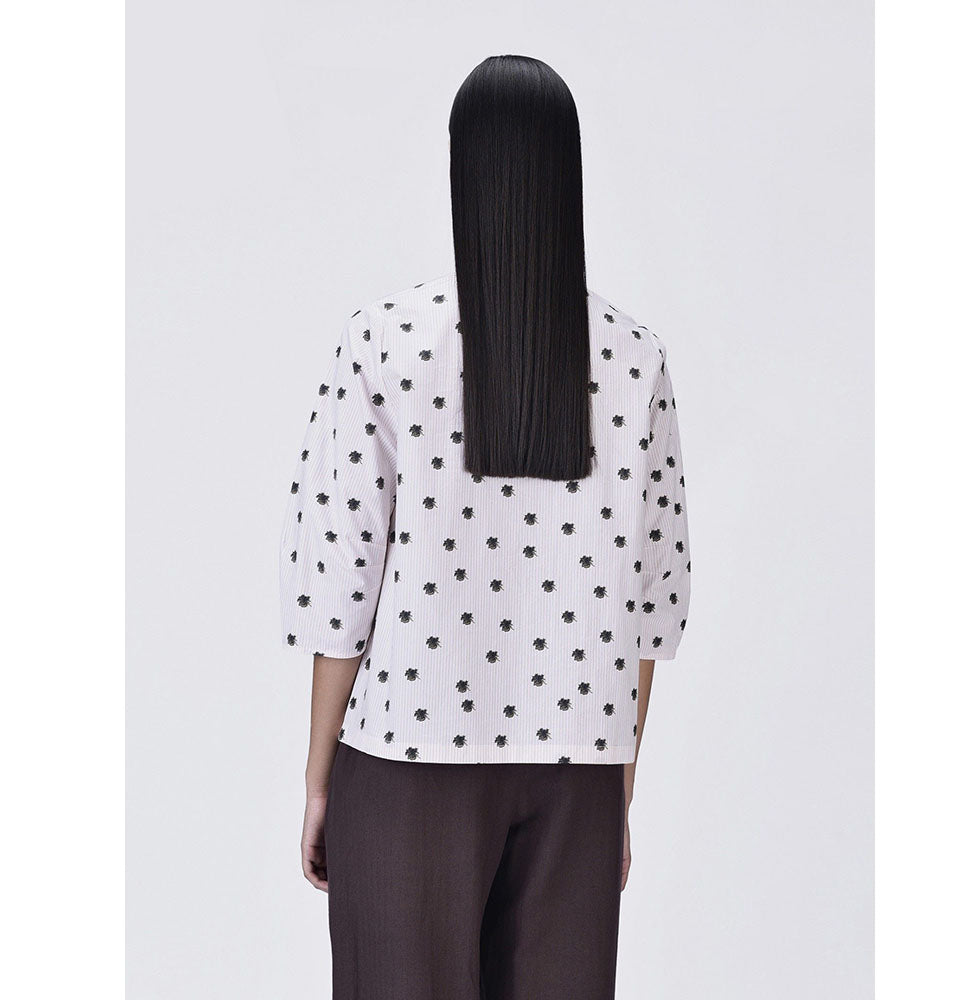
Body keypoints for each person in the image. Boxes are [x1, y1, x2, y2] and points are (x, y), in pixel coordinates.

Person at [279, 53, 691, 1000]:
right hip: (578, 770)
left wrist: (319, 779)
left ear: (460, 169)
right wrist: (617, 784)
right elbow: (652, 603)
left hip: (407, 765)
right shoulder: (635, 358)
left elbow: (339, 586)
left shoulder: (384, 341)